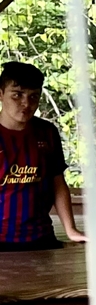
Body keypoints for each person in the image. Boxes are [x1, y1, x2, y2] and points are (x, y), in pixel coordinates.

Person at [0, 61, 86, 250]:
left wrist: (71, 230)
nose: (26, 103)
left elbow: (57, 182)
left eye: (34, 96)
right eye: (17, 95)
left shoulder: (47, 132)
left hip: (41, 237)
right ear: (1, 94)